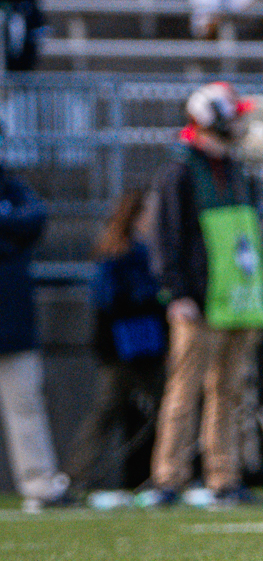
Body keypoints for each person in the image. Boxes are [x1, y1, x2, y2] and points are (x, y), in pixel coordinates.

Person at [145, 82, 263, 508]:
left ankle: (224, 477)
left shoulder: (237, 171)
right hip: (198, 302)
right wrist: (176, 292)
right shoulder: (179, 172)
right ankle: (168, 478)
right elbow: (165, 237)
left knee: (230, 393)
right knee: (183, 393)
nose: (239, 126)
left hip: (237, 300)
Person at [65, 192, 168, 493]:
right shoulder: (124, 252)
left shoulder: (137, 248)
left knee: (115, 412)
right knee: (109, 411)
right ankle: (75, 476)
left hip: (137, 345)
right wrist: (155, 295)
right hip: (126, 346)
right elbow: (111, 301)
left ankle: (77, 476)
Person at [0, 162, 68, 513]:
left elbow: (34, 220)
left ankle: (41, 485)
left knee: (26, 405)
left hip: (13, 320)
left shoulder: (12, 188)